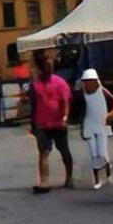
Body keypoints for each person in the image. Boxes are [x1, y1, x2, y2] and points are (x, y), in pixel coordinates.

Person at [29, 53, 73, 193]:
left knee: (64, 151)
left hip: (59, 124)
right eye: (47, 66)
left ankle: (69, 177)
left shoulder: (60, 83)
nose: (49, 69)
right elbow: (33, 105)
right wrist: (33, 124)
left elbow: (66, 103)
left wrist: (65, 118)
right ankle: (44, 181)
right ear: (42, 68)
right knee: (44, 152)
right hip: (42, 124)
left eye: (51, 66)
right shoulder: (35, 85)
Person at [77, 68, 113, 189]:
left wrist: (110, 114)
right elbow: (81, 113)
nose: (88, 83)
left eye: (91, 81)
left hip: (101, 125)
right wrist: (82, 128)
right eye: (86, 81)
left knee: (102, 153)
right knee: (94, 154)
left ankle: (108, 168)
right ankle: (97, 180)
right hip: (89, 125)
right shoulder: (82, 93)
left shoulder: (101, 90)